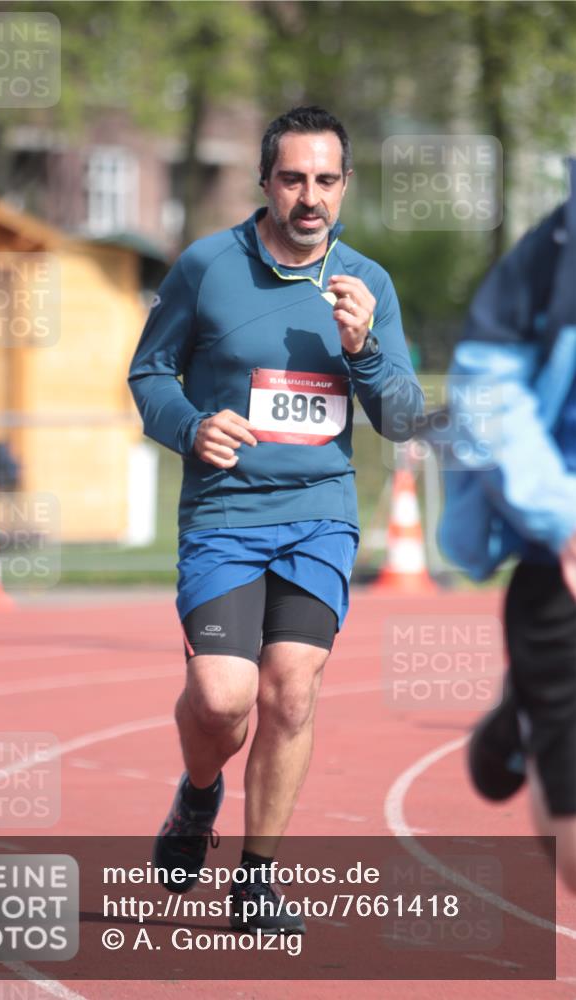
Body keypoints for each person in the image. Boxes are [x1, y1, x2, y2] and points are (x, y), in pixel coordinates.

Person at [128, 106, 423, 930]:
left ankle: (256, 880)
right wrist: (192, 426)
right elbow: (148, 375)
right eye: (292, 178)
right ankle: (198, 795)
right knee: (222, 699)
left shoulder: (367, 283)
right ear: (265, 182)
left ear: (345, 186)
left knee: (291, 690)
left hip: (318, 514)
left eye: (325, 180)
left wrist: (364, 349)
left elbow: (403, 418)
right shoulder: (205, 267)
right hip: (224, 512)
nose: (308, 196)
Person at [438, 157, 576, 890]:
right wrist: (562, 518)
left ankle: (518, 709)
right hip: (563, 557)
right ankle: (527, 714)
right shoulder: (553, 253)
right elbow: (485, 390)